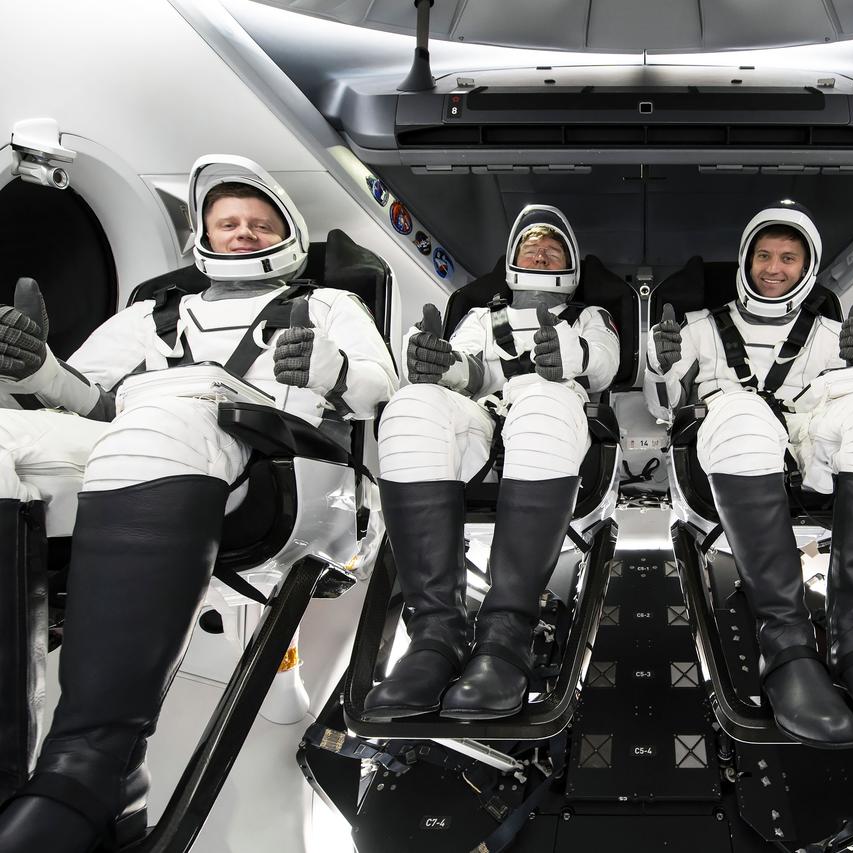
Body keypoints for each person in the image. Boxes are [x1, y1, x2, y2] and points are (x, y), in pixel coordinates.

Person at [0, 155, 397, 853]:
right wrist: (41, 372)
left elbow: (381, 392)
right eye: (227, 221)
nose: (242, 232)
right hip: (144, 444)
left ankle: (93, 774)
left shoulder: (332, 304)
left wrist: (330, 369)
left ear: (288, 232)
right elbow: (90, 400)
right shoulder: (148, 315)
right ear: (202, 236)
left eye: (258, 222)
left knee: (167, 420)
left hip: (285, 469)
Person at [645, 201, 853, 749]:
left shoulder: (834, 333)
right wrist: (666, 368)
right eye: (763, 256)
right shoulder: (697, 329)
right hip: (734, 440)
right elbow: (665, 407)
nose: (773, 268)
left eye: (788, 258)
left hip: (811, 448)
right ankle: (785, 643)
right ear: (745, 261)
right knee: (743, 412)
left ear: (807, 268)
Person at [365, 204, 619, 722]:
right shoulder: (483, 316)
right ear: (511, 259)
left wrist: (569, 356)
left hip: (552, 414)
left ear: (570, 267)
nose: (541, 253)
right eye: (530, 246)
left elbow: (604, 360)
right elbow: (471, 374)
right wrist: (443, 362)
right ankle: (435, 638)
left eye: (553, 248)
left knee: (546, 401)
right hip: (485, 420)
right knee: (410, 405)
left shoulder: (589, 317)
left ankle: (506, 641)